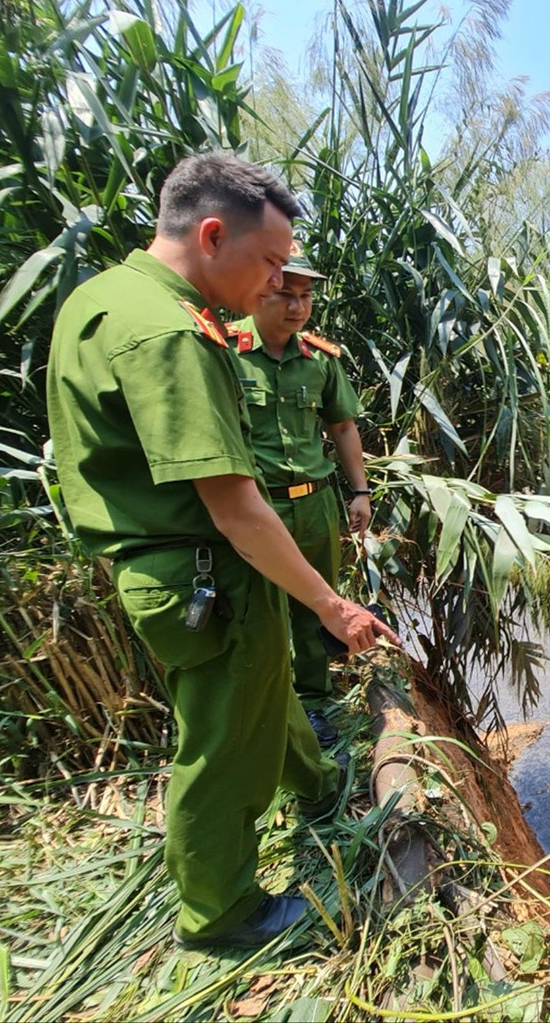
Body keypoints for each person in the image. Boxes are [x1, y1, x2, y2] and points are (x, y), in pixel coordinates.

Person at [46, 152, 398, 950]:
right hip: (204, 573)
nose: (279, 284)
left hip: (203, 569)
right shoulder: (172, 334)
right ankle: (223, 911)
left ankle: (316, 787)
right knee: (222, 744)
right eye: (272, 262)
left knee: (263, 697)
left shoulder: (105, 297)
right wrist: (332, 604)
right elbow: (236, 509)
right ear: (212, 235)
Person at [228, 245, 369, 749]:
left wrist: (359, 491)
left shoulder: (320, 360)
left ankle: (312, 703)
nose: (297, 307)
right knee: (258, 607)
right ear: (257, 291)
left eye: (306, 296)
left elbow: (343, 427)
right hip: (253, 508)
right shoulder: (223, 352)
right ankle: (264, 703)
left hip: (313, 503)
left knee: (318, 603)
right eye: (286, 294)